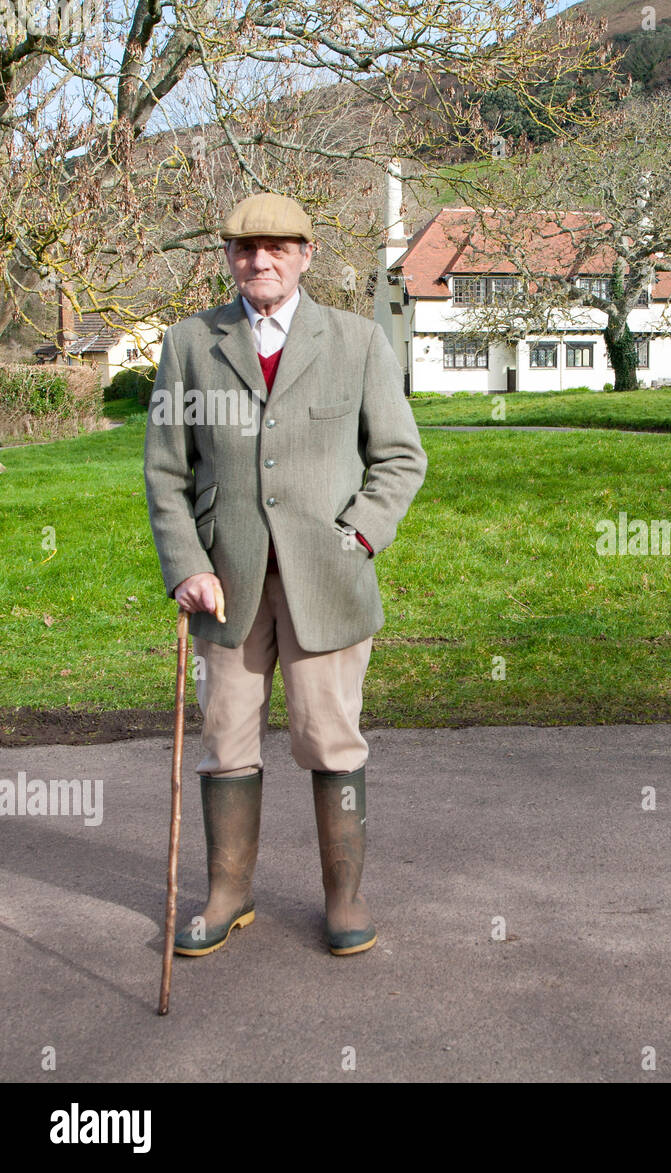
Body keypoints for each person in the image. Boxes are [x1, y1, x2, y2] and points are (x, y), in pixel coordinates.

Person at [144, 192, 427, 957]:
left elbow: (400, 458)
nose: (259, 261)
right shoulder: (189, 344)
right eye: (243, 248)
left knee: (330, 739)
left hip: (327, 584)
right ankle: (229, 893)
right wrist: (186, 566)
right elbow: (167, 473)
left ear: (306, 253)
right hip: (224, 588)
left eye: (276, 247)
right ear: (229, 258)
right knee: (227, 740)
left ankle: (345, 896)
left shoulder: (359, 341)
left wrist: (358, 537)